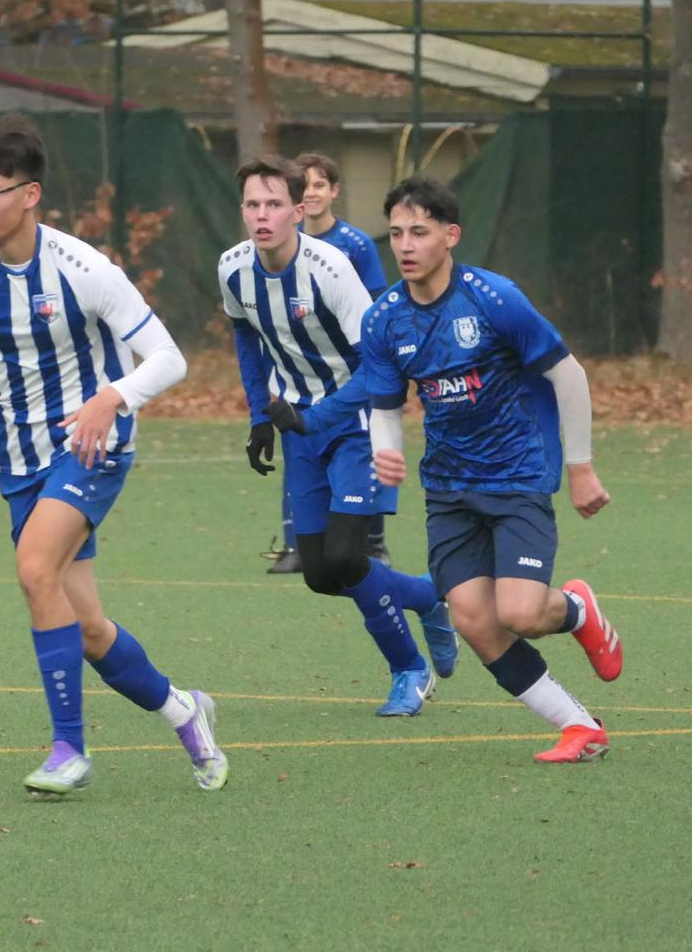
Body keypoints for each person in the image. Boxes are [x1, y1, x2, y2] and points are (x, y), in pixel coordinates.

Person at [0, 114, 228, 794]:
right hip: (19, 462)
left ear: (30, 195)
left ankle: (69, 749)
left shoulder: (85, 270)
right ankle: (184, 710)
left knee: (32, 570)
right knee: (85, 628)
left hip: (92, 448)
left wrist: (111, 398)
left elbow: (170, 359)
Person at [271, 175, 622, 762]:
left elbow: (569, 375)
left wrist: (582, 468)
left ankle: (579, 609)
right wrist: (387, 447)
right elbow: (384, 401)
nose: (406, 245)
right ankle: (579, 726)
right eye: (398, 234)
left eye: (420, 232)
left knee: (519, 612)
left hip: (516, 478)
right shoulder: (385, 319)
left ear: (450, 236)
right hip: (449, 491)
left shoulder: (493, 297)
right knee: (473, 620)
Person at [223, 156, 457, 717]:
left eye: (275, 204)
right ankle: (427, 597)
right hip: (300, 428)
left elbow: (380, 367)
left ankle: (409, 668)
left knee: (350, 557)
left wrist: (322, 416)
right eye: (253, 204)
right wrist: (261, 415)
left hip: (355, 423)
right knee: (321, 575)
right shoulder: (232, 269)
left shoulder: (329, 269)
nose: (262, 215)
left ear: (299, 210)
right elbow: (245, 338)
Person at [265, 152, 394, 573]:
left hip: (351, 371)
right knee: (299, 446)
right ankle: (298, 544)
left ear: (334, 191)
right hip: (303, 375)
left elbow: (373, 308)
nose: (313, 192)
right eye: (305, 185)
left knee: (362, 449)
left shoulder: (353, 246)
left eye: (321, 184)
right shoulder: (281, 242)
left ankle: (373, 542)